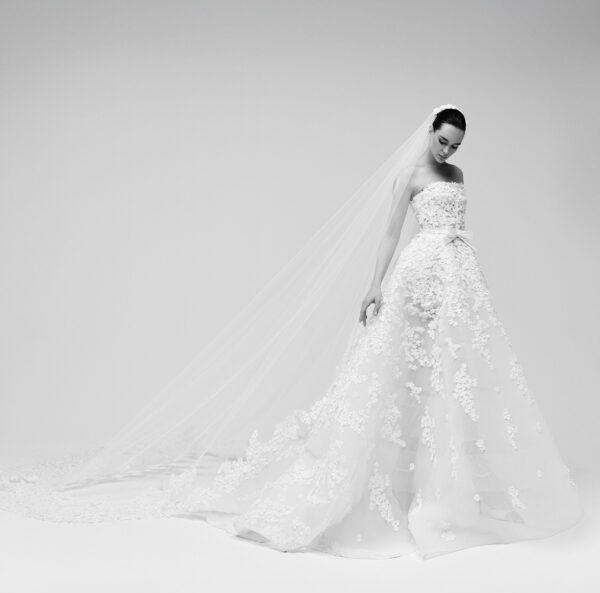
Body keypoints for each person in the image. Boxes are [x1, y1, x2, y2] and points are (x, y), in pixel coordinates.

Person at [0, 105, 583, 560]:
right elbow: (389, 234)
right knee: (392, 375)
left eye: (456, 145)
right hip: (414, 277)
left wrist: (465, 275)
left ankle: (443, 488)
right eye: (443, 140)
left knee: (450, 378)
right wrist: (375, 285)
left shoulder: (457, 175)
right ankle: (366, 487)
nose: (448, 150)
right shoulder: (410, 174)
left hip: (456, 279)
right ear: (430, 131)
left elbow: (458, 229)